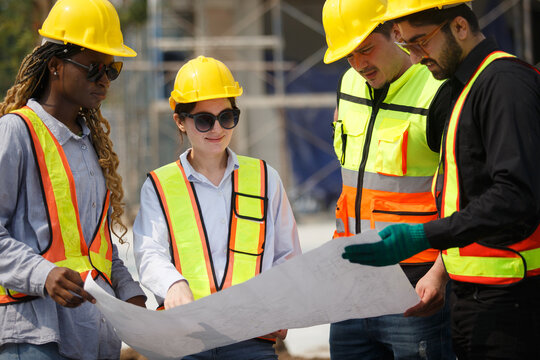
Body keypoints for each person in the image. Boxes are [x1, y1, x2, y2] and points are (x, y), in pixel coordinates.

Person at [342, 1, 540, 359]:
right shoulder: (465, 87)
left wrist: (424, 235)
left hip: (513, 300)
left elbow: (515, 197)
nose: (417, 57)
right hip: (474, 296)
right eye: (409, 46)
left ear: (460, 27)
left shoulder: (506, 84)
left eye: (422, 42)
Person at [0, 0, 147, 359]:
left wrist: (130, 292)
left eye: (111, 71)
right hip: (36, 335)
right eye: (94, 68)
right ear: (55, 65)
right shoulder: (15, 133)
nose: (103, 81)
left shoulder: (88, 147)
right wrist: (41, 274)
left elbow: (94, 250)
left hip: (94, 336)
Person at [132, 55, 301, 359]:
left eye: (226, 117)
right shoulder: (159, 186)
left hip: (252, 338)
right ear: (180, 121)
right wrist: (172, 285)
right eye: (204, 120)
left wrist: (282, 304)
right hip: (184, 338)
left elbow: (286, 255)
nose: (217, 129)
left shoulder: (265, 178)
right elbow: (149, 251)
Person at [321, 0, 455, 358]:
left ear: (396, 33)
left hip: (415, 284)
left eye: (366, 49)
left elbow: (466, 196)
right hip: (352, 281)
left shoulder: (439, 91)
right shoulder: (348, 83)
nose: (359, 64)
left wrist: (440, 274)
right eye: (349, 54)